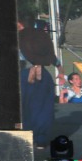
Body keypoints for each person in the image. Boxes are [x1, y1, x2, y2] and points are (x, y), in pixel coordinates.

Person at [18, 15, 60, 149]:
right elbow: (53, 58)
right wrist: (61, 69)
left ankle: (28, 137)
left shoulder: (20, 37)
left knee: (26, 107)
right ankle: (39, 138)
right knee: (41, 108)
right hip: (41, 74)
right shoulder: (41, 36)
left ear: (20, 24)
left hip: (26, 74)